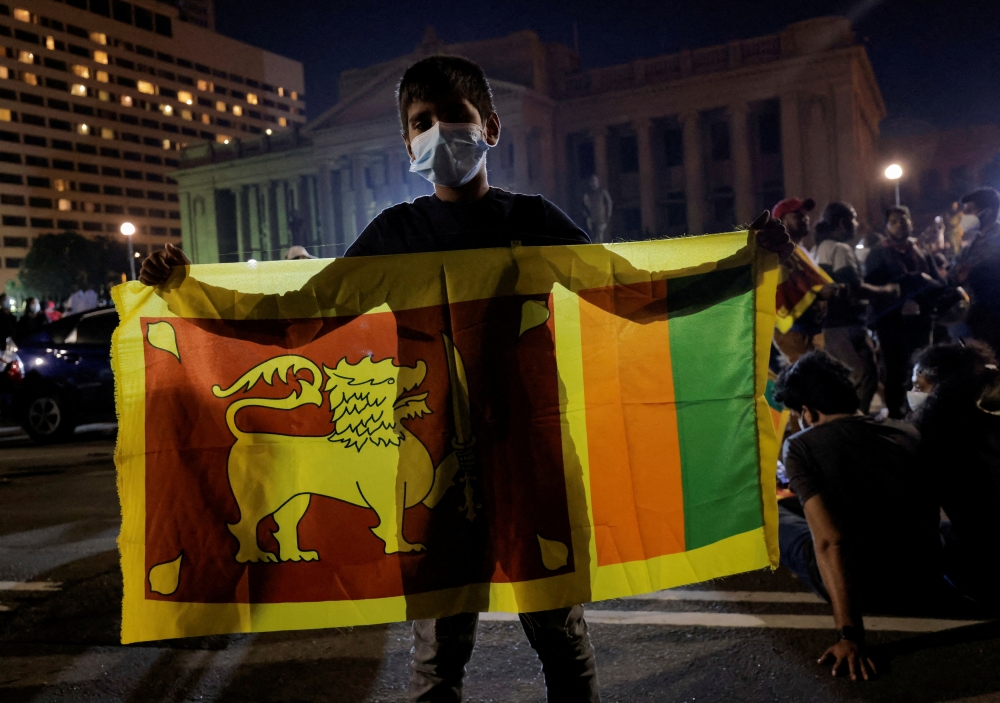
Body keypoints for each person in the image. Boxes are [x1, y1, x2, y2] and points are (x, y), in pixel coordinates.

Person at [139, 55, 792, 703]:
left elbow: (631, 291)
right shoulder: (397, 234)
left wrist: (744, 264)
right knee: (436, 664)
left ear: (491, 128)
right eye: (423, 121)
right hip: (426, 475)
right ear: (406, 143)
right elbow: (297, 317)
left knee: (563, 646)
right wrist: (186, 290)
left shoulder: (531, 222)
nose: (440, 132)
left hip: (530, 469)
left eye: (455, 117)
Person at [774, 351, 944, 680]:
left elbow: (830, 541)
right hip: (922, 578)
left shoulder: (801, 446)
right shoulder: (906, 432)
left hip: (866, 586)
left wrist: (850, 636)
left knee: (776, 517)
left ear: (807, 412)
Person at [910, 343, 1000, 607]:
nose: (913, 392)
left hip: (985, 578)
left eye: (919, 386)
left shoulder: (934, 435)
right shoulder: (989, 423)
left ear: (942, 387)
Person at [811, 202, 896, 413]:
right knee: (863, 378)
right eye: (854, 219)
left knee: (852, 378)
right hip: (845, 326)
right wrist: (886, 291)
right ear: (842, 223)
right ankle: (852, 427)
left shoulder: (816, 250)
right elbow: (854, 288)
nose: (857, 224)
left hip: (829, 328)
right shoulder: (840, 249)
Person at [864, 206, 942, 418]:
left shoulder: (921, 252)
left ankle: (917, 412)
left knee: (921, 367)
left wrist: (922, 285)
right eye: (894, 221)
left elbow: (938, 283)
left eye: (903, 220)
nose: (900, 225)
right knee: (894, 371)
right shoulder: (877, 254)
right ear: (887, 227)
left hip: (921, 322)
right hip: (891, 323)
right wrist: (899, 299)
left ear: (911, 223)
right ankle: (896, 415)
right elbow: (872, 287)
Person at [771, 197, 835, 363]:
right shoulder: (777, 249)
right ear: (781, 221)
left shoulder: (801, 251)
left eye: (805, 215)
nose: (805, 218)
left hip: (809, 328)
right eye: (797, 215)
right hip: (793, 329)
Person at [950, 187, 1000, 352]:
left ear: (988, 212)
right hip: (972, 315)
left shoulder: (997, 239)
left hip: (992, 314)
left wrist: (971, 271)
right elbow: (955, 271)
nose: (965, 217)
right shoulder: (973, 242)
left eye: (970, 211)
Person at [582, 174, 613, 243]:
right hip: (592, 219)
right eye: (592, 181)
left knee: (600, 236)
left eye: (595, 180)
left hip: (601, 219)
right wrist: (587, 217)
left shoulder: (602, 191)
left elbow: (609, 203)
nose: (594, 182)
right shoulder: (588, 193)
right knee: (594, 237)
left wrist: (607, 217)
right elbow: (584, 206)